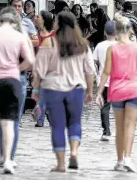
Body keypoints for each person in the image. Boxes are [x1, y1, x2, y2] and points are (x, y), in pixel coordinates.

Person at [32, 12, 95, 173]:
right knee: (75, 123)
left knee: (58, 126)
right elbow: (89, 70)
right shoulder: (82, 45)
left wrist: (36, 90)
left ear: (59, 24)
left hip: (53, 89)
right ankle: (74, 152)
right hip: (76, 89)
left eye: (55, 21)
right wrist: (90, 91)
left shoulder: (49, 43)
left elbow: (39, 70)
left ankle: (60, 164)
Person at [0, 8, 34, 175]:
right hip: (12, 81)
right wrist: (16, 69)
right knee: (9, 122)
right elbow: (30, 60)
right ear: (14, 22)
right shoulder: (19, 36)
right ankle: (9, 160)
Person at [95, 14, 137, 173]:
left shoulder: (112, 48)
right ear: (130, 30)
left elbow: (106, 72)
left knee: (119, 127)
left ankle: (119, 160)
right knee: (130, 125)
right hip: (135, 89)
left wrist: (99, 92)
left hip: (117, 89)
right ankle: (128, 158)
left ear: (116, 30)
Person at [93, 20, 117, 141]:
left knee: (105, 107)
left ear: (104, 32)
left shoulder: (100, 46)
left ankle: (106, 131)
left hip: (104, 81)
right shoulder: (121, 45)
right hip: (118, 81)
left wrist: (96, 74)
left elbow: (95, 63)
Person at [32, 10, 55, 127]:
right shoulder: (35, 35)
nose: (36, 18)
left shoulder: (54, 35)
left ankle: (44, 116)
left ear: (45, 20)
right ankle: (42, 117)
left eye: (38, 17)